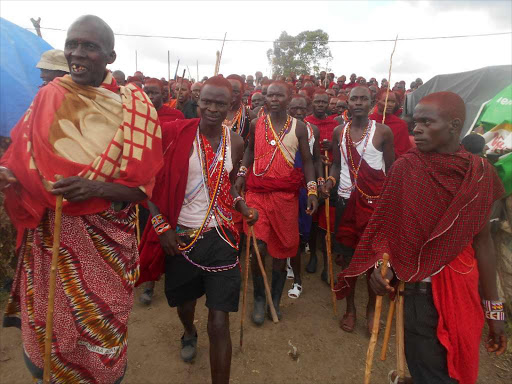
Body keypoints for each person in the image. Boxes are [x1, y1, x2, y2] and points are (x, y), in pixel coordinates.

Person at [1, 15, 163, 383]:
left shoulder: (135, 110)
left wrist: (95, 188)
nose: (77, 53)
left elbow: (142, 190)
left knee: (101, 324)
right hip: (49, 239)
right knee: (48, 323)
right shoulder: (49, 95)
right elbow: (23, 165)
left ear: (110, 55)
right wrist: (10, 177)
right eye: (72, 44)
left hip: (105, 243)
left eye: (89, 46)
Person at [342, 92, 507, 384]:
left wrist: (494, 310)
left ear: (455, 126)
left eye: (426, 122)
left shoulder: (480, 174)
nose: (415, 129)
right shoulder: (406, 168)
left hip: (461, 292)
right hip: (417, 293)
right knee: (428, 370)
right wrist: (384, 270)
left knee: (456, 366)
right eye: (415, 122)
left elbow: (483, 243)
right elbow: (388, 230)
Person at [137, 76, 258, 384]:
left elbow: (227, 186)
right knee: (185, 304)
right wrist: (162, 226)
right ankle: (188, 331)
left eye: (220, 103)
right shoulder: (173, 135)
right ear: (197, 101)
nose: (212, 109)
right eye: (206, 101)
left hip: (223, 238)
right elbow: (147, 182)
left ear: (231, 106)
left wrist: (241, 204)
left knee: (219, 322)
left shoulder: (237, 142)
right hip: (182, 238)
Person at [235, 81, 319, 323]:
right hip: (258, 194)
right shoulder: (256, 123)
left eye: (278, 95)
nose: (273, 99)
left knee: (282, 252)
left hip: (285, 198)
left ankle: (275, 297)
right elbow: (249, 152)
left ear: (289, 97)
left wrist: (312, 190)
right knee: (258, 248)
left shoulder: (300, 128)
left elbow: (309, 161)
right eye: (269, 95)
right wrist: (242, 174)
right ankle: (259, 299)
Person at [323, 86, 395, 334]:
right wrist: (330, 182)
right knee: (348, 261)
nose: (358, 103)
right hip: (344, 201)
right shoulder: (338, 131)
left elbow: (392, 170)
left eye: (364, 99)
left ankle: (371, 310)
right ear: (348, 103)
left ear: (372, 103)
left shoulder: (383, 132)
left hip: (374, 205)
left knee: (375, 262)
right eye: (354, 98)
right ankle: (351, 309)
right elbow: (335, 165)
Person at [286, 95, 322, 299]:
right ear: (288, 108)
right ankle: (289, 265)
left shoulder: (312, 130)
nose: (298, 112)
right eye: (294, 108)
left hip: (304, 186)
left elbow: (316, 160)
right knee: (286, 226)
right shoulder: (281, 128)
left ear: (307, 108)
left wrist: (316, 184)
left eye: (302, 108)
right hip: (285, 184)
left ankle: (295, 265)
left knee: (302, 228)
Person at [304, 91, 340, 278]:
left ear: (328, 105)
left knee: (327, 220)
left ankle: (327, 263)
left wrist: (332, 147)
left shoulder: (336, 125)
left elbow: (341, 151)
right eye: (316, 101)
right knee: (312, 218)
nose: (320, 104)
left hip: (330, 177)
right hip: (311, 176)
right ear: (312, 103)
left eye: (323, 102)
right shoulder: (305, 124)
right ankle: (313, 257)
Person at [369, 89, 412, 158]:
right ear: (377, 101)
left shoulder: (400, 124)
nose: (390, 105)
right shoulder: (368, 121)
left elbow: (403, 152)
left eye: (393, 102)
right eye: (386, 101)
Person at [225, 74, 255, 141]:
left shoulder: (250, 116)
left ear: (243, 92)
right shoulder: (215, 112)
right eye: (228, 90)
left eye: (235, 91)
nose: (230, 94)